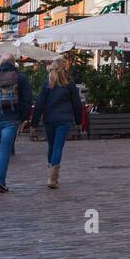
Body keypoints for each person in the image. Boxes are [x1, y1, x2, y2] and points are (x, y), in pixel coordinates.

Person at [32, 58, 82, 189]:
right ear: (64, 68)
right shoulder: (69, 84)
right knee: (58, 147)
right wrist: (79, 121)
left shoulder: (47, 84)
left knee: (51, 146)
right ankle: (52, 178)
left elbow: (39, 104)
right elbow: (77, 104)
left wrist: (34, 123)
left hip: (49, 119)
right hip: (64, 119)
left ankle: (51, 175)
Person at [0, 54, 32, 193]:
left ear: (1, 63)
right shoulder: (21, 78)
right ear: (14, 63)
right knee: (5, 149)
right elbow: (27, 99)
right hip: (12, 118)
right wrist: (23, 118)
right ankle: (0, 181)